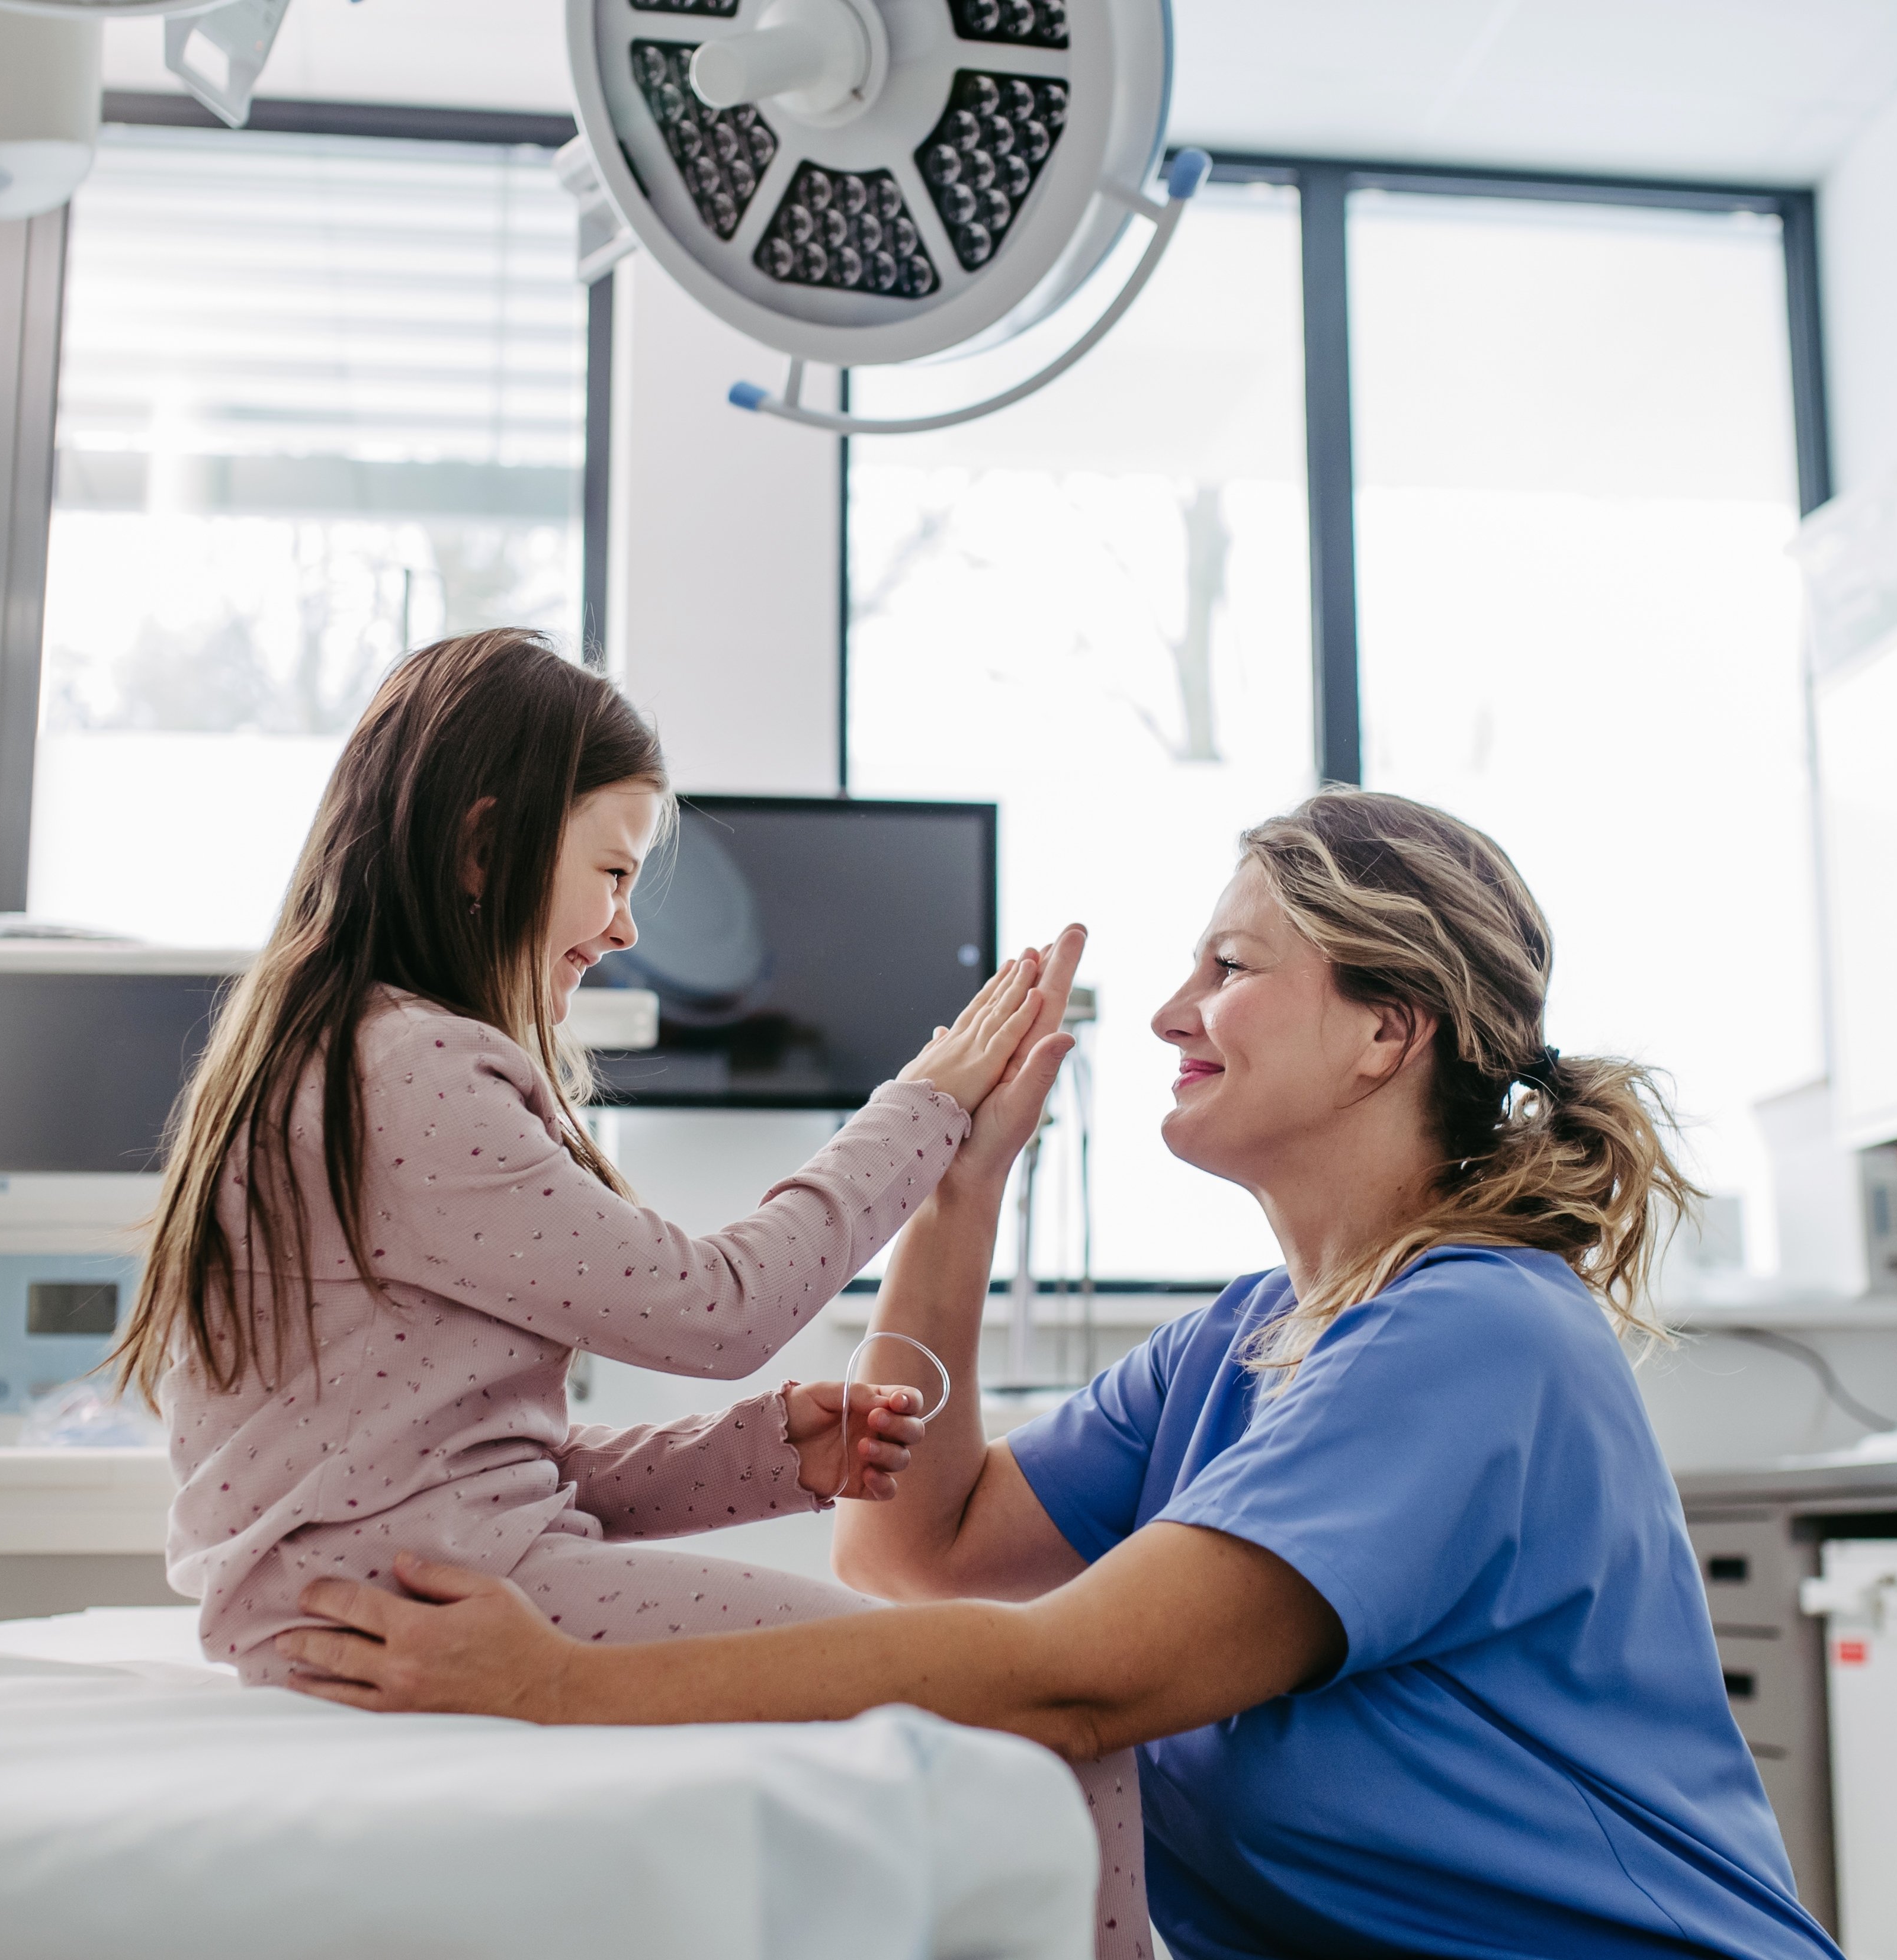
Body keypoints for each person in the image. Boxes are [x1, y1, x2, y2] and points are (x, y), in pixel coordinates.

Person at [276, 787, 1846, 1960]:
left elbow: (1072, 1673)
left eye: (1229, 965)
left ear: (1387, 1029)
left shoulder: (1475, 1335)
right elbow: (911, 1542)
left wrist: (560, 1685)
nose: (1167, 1012)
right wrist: (958, 1187)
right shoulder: (1233, 1343)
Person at [108, 628, 1153, 1957]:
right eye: (609, 869)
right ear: (484, 849)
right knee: (1055, 1718)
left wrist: (759, 1454)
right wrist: (926, 1105)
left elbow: (451, 1462)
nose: (625, 925)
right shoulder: (414, 1069)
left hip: (395, 1585)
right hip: (438, 1603)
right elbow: (714, 1310)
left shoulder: (327, 1054)